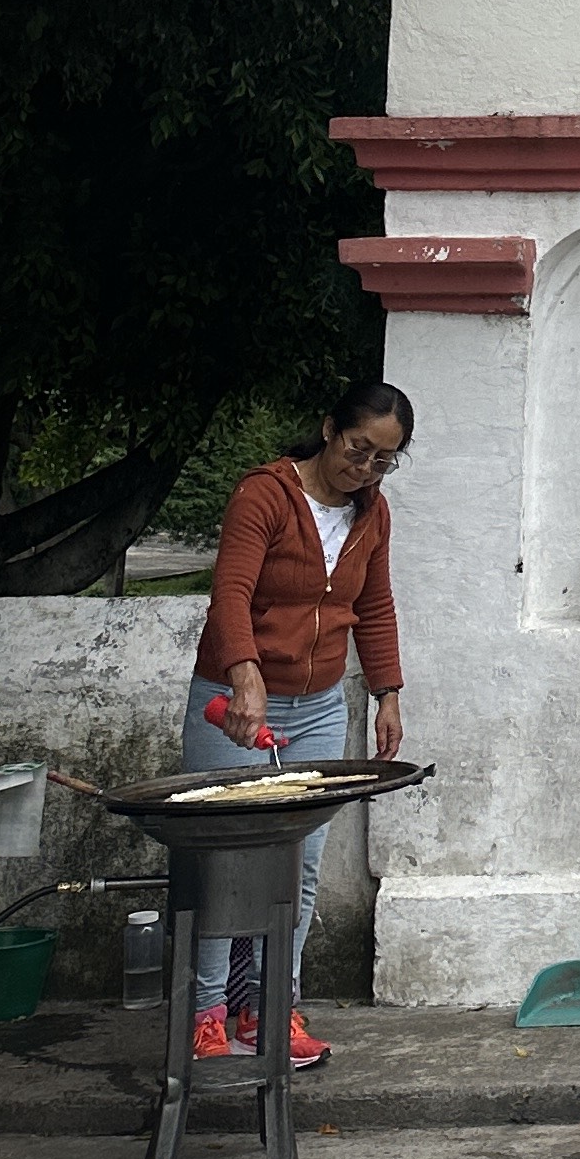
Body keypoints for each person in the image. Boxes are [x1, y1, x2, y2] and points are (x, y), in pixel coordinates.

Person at [186, 383, 413, 1068]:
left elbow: (373, 607)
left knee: (298, 866)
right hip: (234, 704)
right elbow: (231, 591)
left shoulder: (371, 517)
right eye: (358, 450)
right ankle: (206, 1016)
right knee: (223, 860)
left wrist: (387, 693)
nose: (365, 469)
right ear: (327, 429)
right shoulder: (264, 495)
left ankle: (272, 1008)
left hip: (316, 710)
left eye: (383, 460)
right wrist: (245, 671)